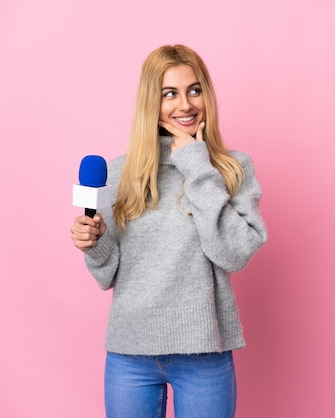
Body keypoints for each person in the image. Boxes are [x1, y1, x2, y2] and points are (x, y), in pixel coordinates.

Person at [70, 44, 268, 418]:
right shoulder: (120, 172)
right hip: (130, 354)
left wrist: (196, 164)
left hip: (203, 353)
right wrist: (93, 244)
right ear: (151, 101)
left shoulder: (233, 168)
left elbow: (236, 252)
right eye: (170, 94)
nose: (185, 105)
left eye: (194, 90)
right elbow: (106, 273)